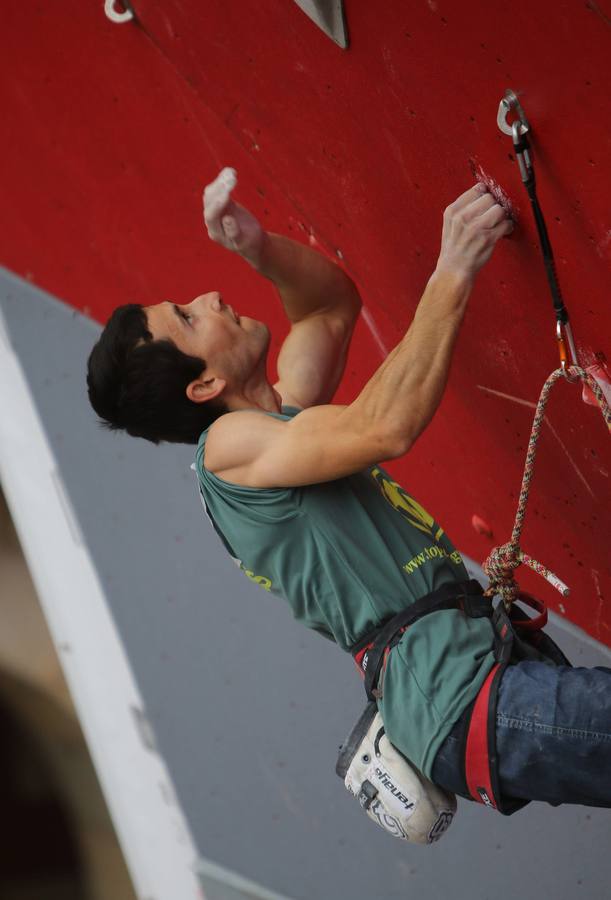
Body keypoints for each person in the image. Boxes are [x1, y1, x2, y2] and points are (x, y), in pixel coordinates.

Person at [87, 168, 611, 811]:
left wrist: (259, 248)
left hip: (476, 688)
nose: (213, 295)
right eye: (189, 318)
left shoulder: (279, 430)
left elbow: (328, 309)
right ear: (200, 388)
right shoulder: (225, 453)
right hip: (463, 698)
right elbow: (385, 426)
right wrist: (452, 269)